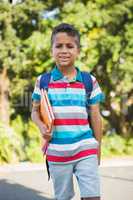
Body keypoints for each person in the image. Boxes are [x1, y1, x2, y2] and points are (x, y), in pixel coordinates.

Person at [31, 23, 105, 200]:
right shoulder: (43, 81)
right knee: (63, 197)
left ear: (78, 50)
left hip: (85, 148)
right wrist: (41, 126)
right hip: (57, 151)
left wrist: (98, 147)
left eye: (70, 46)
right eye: (59, 46)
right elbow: (34, 111)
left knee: (93, 196)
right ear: (52, 50)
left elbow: (96, 116)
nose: (64, 50)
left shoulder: (89, 81)